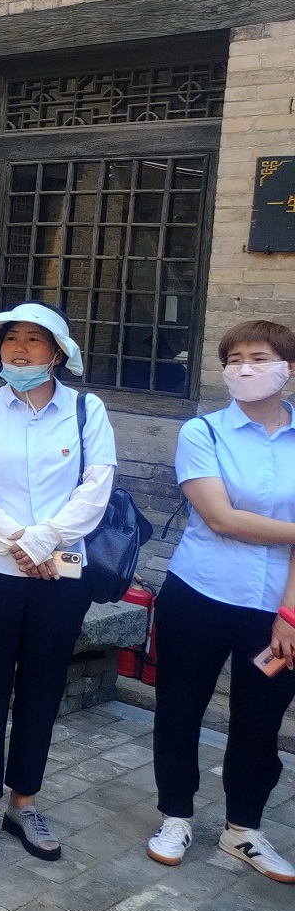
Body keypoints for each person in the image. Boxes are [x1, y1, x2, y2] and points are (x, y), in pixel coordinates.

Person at [0, 303, 114, 863]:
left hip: (60, 573)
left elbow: (96, 486)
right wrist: (19, 542)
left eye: (34, 339)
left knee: (43, 687)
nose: (19, 350)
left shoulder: (87, 411)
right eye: (10, 339)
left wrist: (45, 539)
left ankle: (25, 801)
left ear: (58, 352)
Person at [145, 320, 295, 882]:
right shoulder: (203, 432)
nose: (245, 368)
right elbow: (220, 518)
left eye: (260, 357)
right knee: (179, 708)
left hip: (276, 612)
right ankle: (175, 816)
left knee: (261, 719)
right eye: (234, 359)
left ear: (289, 369)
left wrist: (290, 614)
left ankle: (244, 828)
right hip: (200, 594)